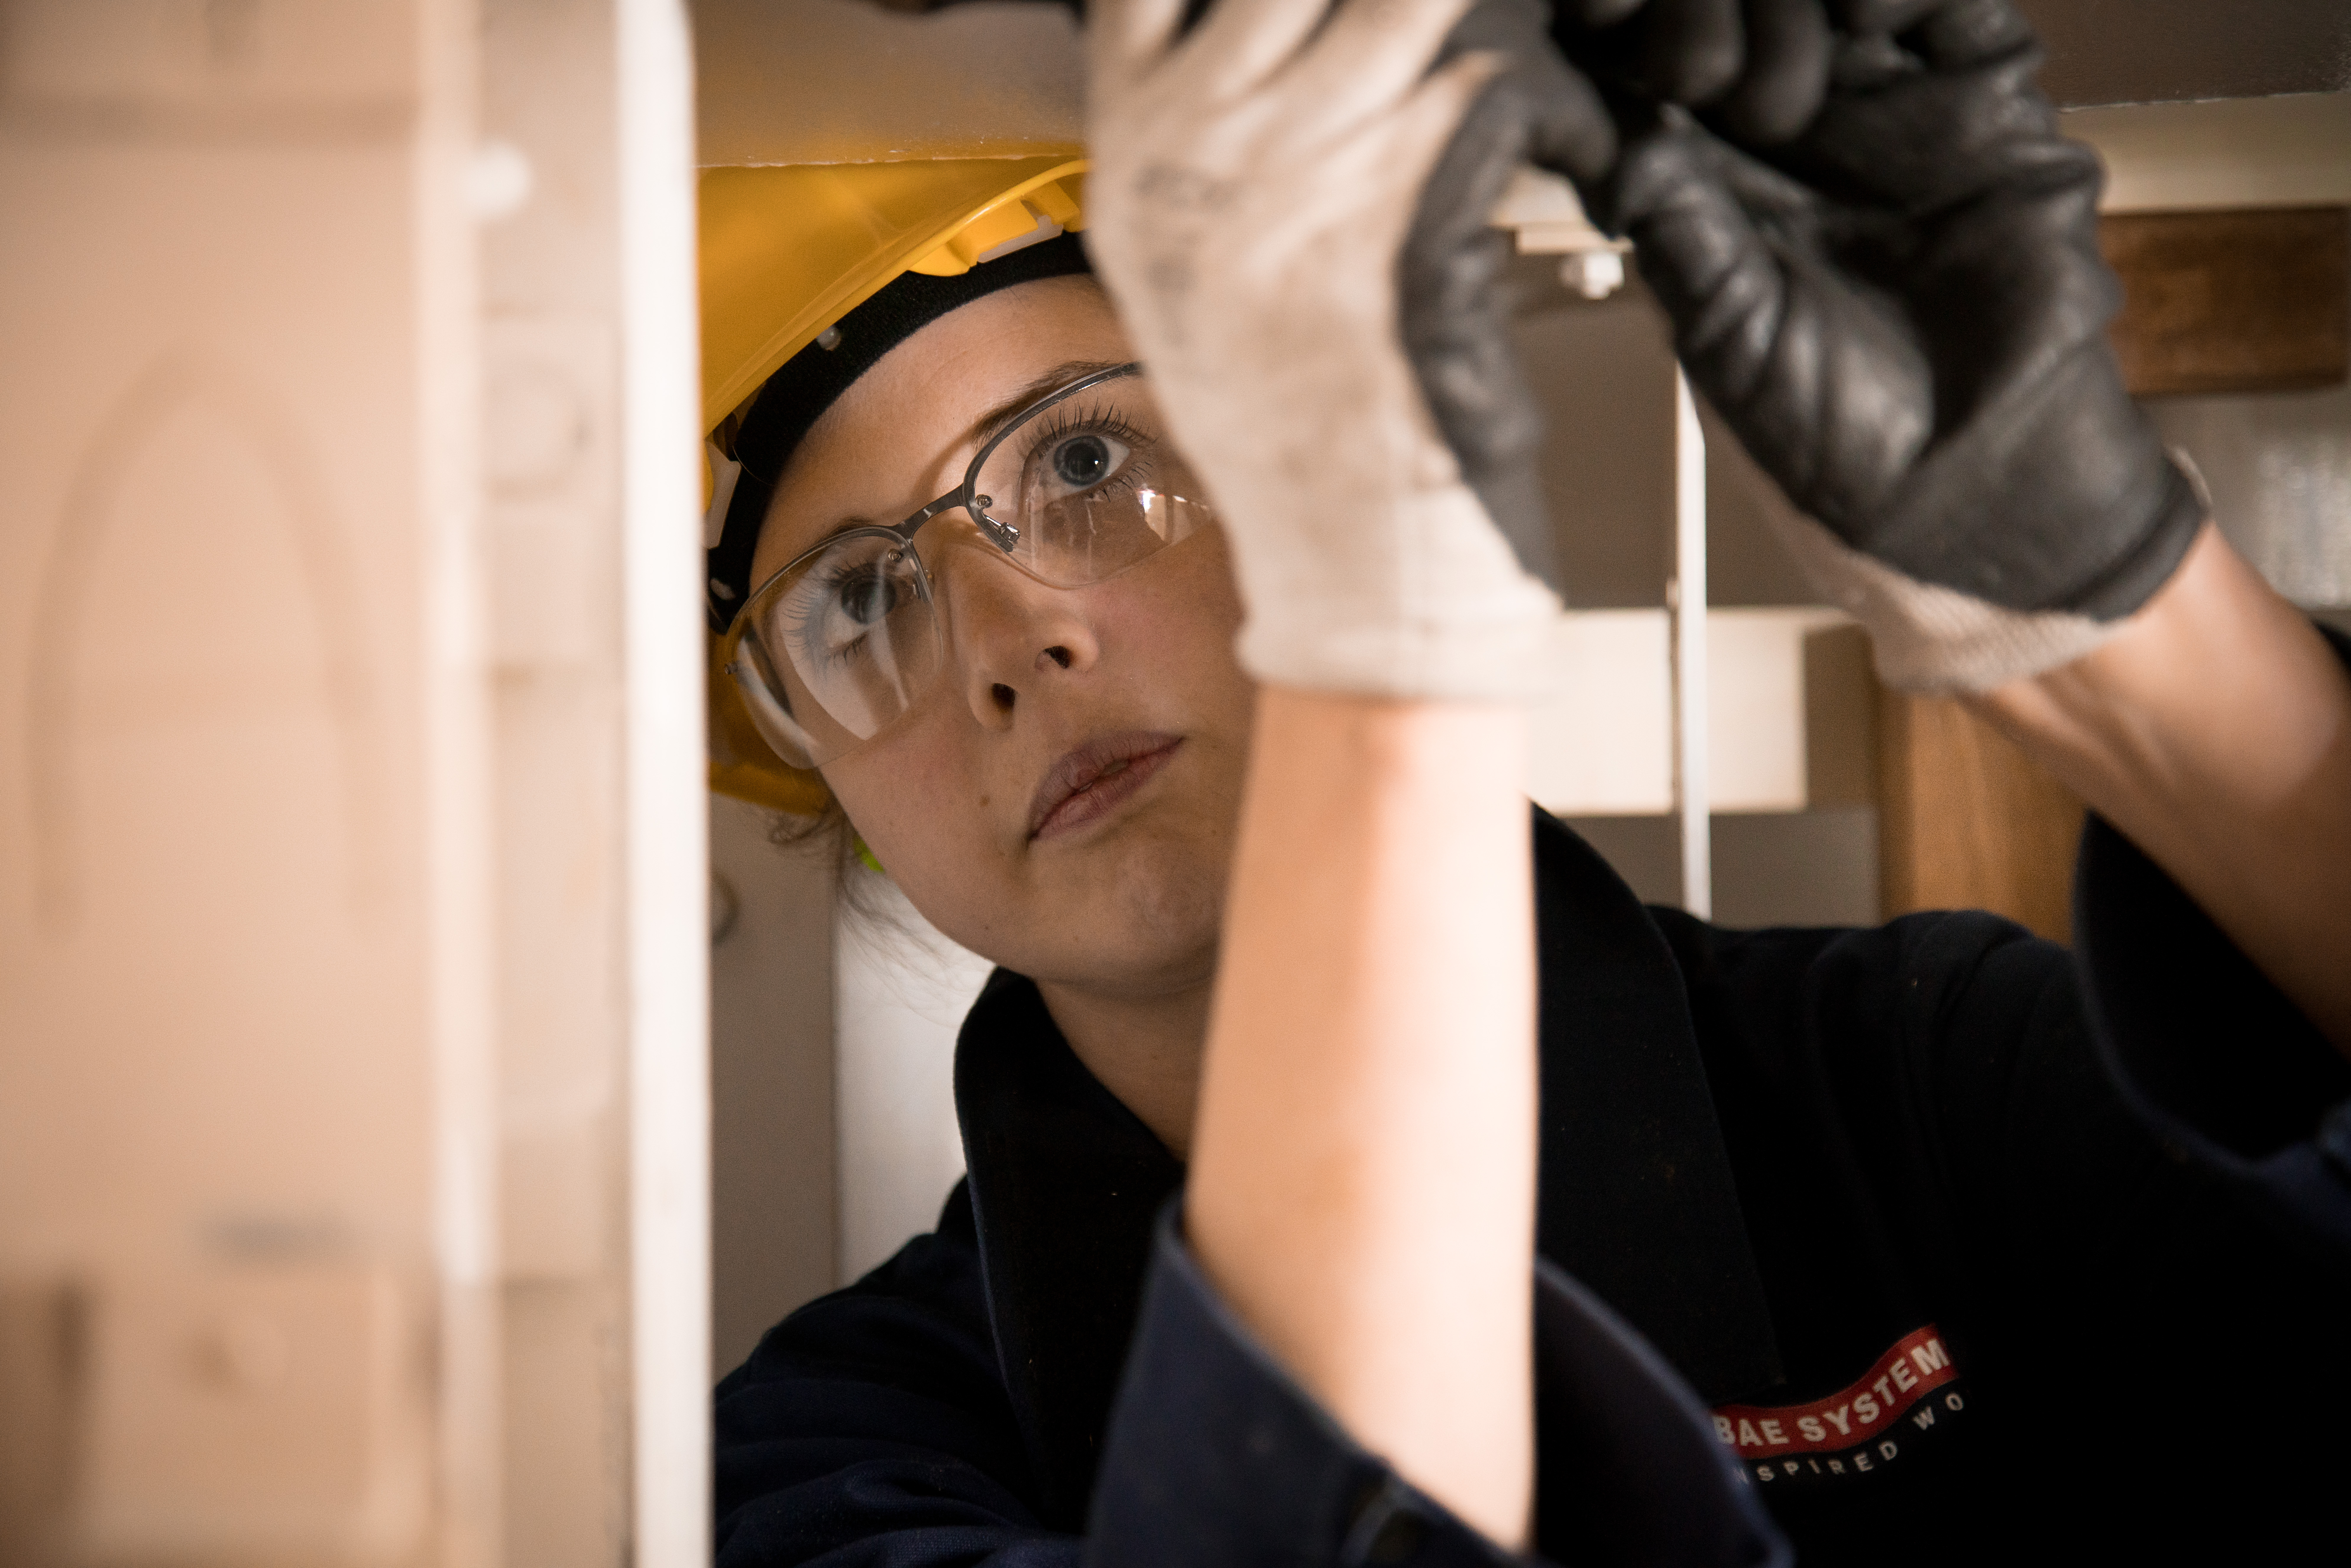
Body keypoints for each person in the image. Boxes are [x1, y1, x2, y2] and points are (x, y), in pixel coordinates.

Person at [705, 0, 2351, 1563]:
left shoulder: (1928, 1081)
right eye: (856, 604)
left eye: (1085, 460)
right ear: (820, 775)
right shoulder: (828, 1453)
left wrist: (2115, 609)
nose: (1011, 642)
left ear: (1284, 444)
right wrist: (1386, 645)